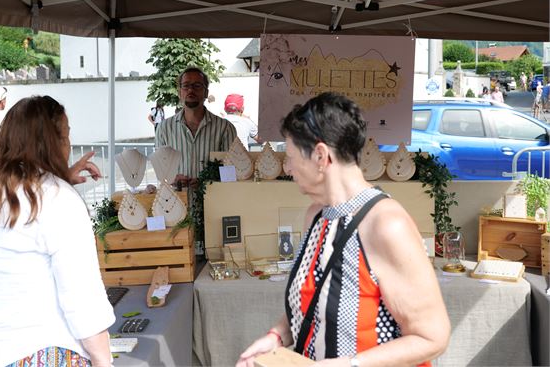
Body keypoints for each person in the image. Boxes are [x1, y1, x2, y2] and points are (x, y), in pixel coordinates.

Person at [237, 93, 450, 367]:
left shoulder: (386, 225)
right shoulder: (316, 215)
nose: (287, 168)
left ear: (320, 156)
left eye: (290, 156)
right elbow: (313, 302)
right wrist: (276, 337)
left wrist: (349, 364)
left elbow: (432, 338)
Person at [0, 95, 113, 367]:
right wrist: (104, 361)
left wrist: (60, 180)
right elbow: (83, 302)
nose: (69, 143)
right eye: (66, 136)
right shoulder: (58, 199)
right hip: (39, 352)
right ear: (54, 142)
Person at [155, 66, 236, 188]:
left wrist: (208, 182)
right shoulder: (164, 129)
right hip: (177, 203)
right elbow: (161, 170)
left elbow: (231, 173)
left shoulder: (225, 128)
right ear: (179, 92)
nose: (190, 90)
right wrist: (172, 179)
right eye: (186, 85)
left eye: (197, 86)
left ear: (206, 93)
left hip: (213, 203)